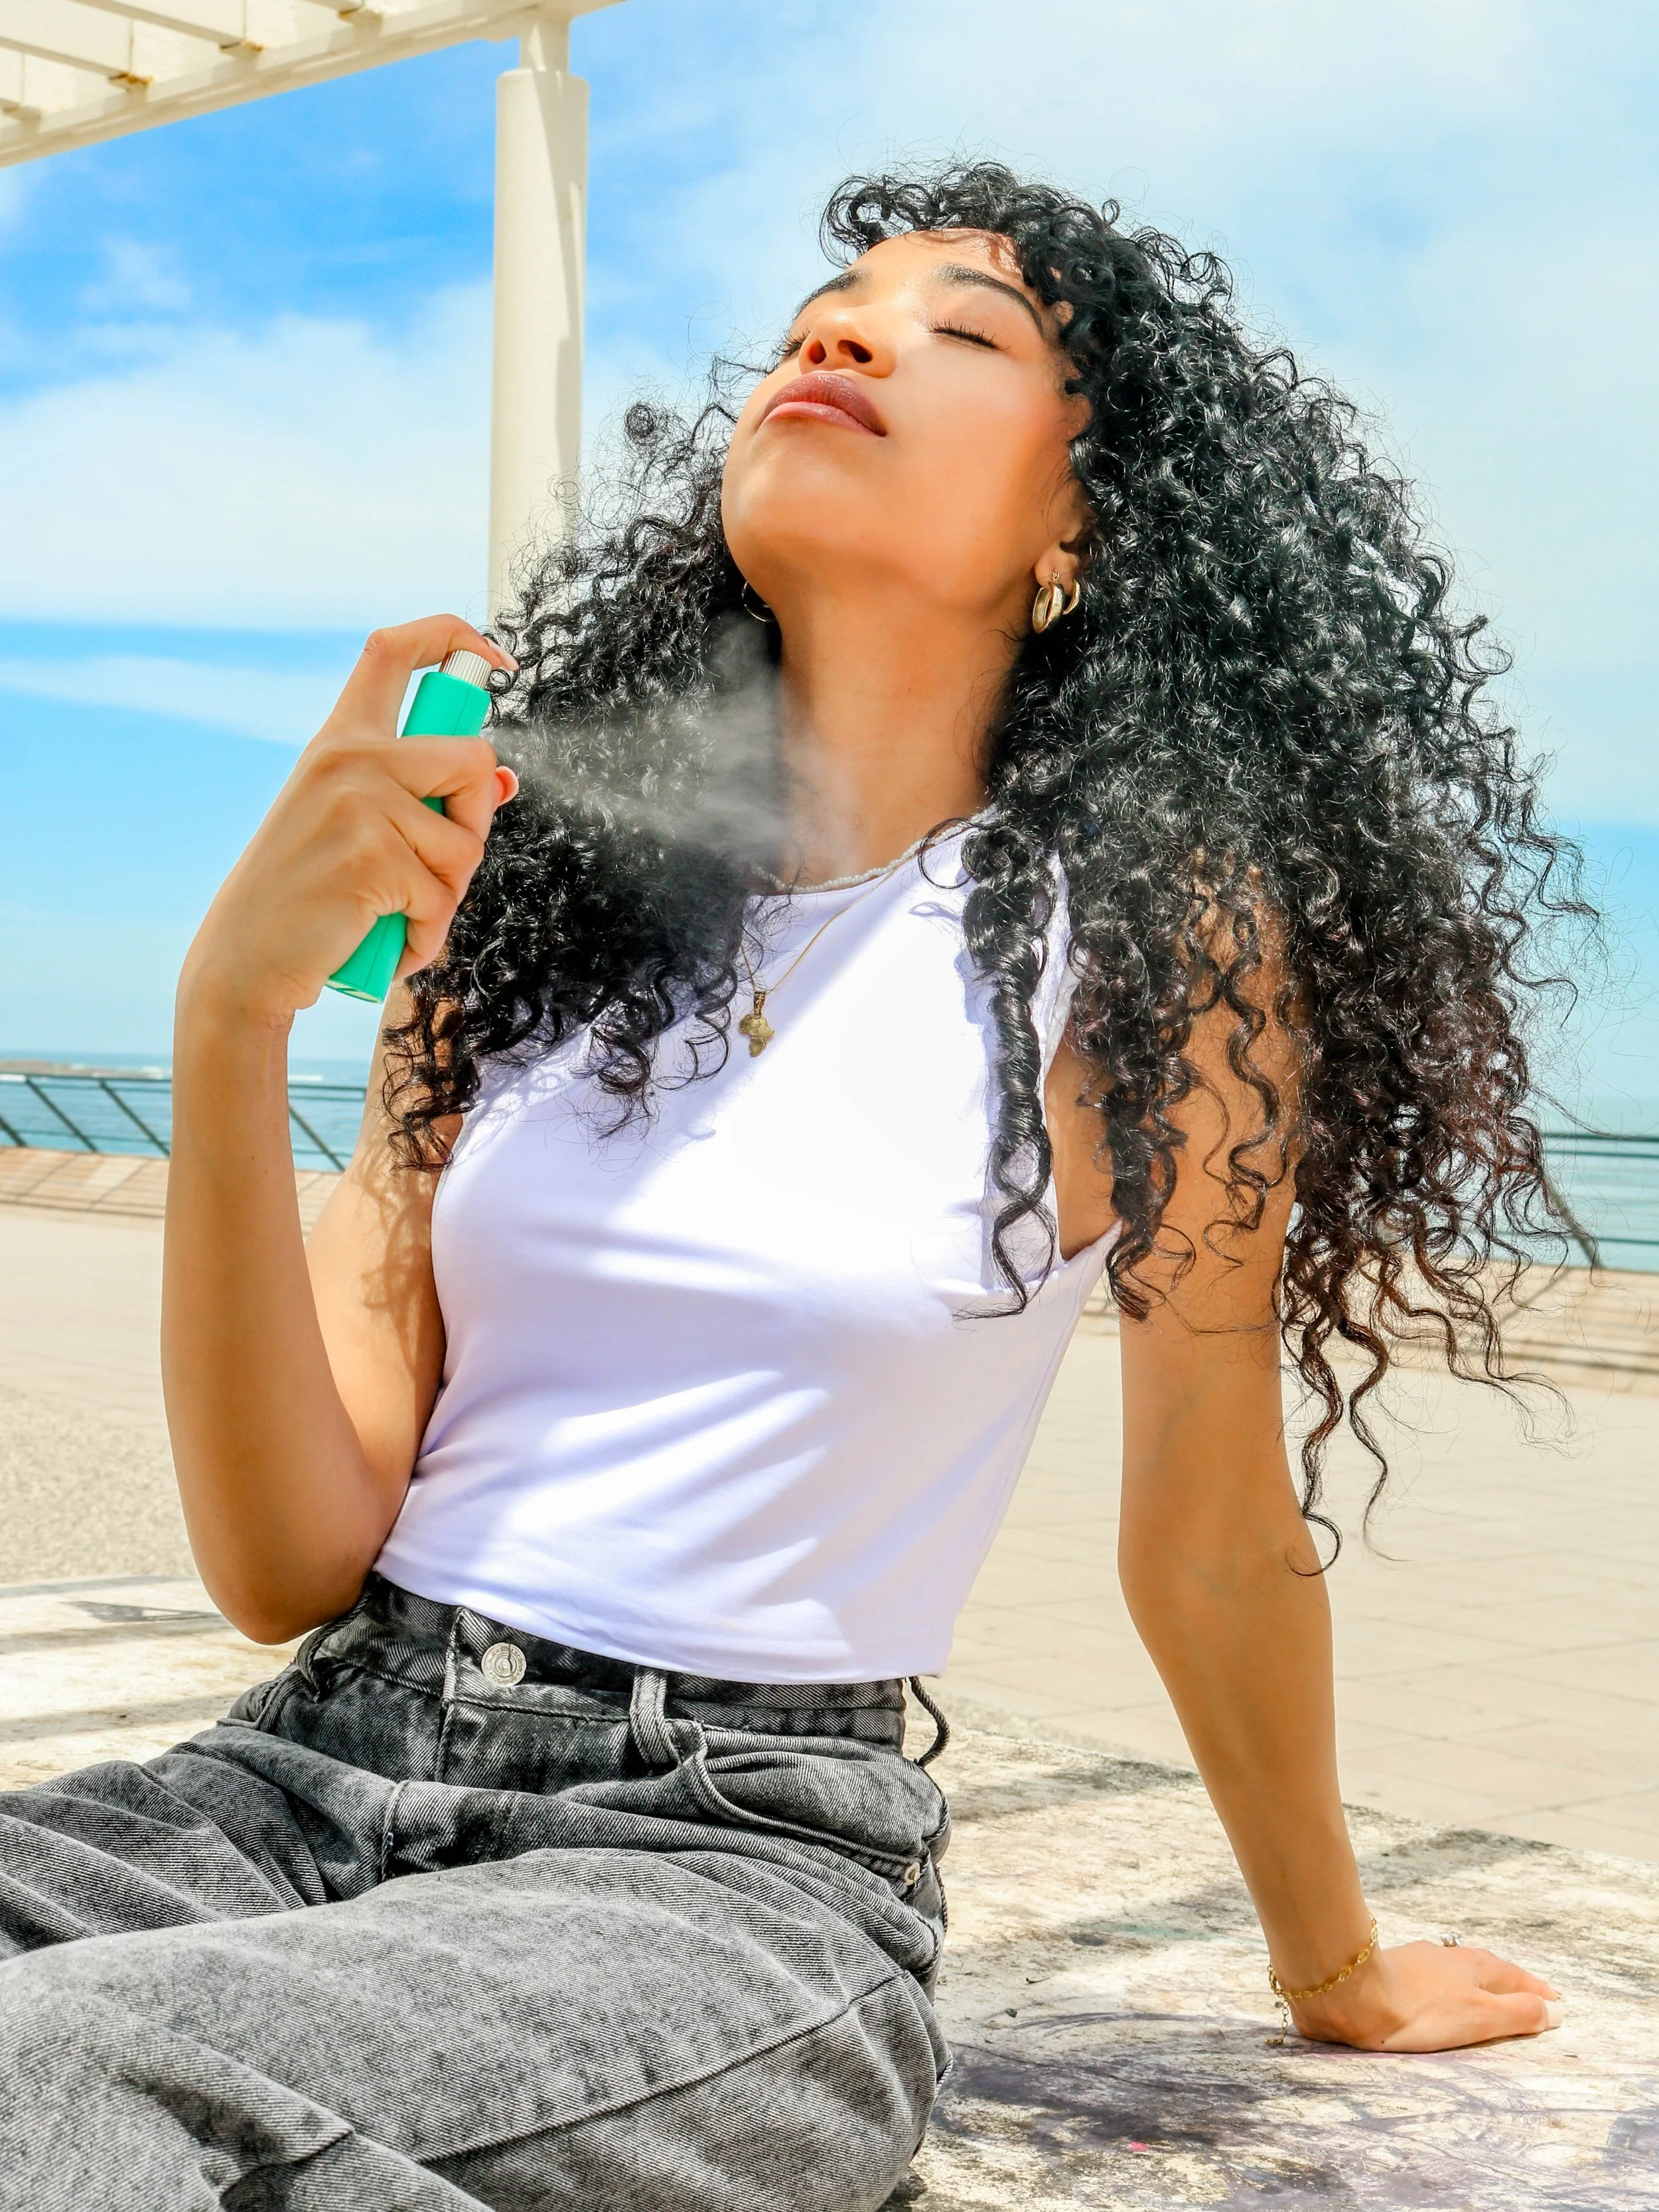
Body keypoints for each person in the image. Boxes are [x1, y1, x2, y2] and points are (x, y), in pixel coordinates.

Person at [0, 164, 1573, 2208]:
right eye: (829, 303)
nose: (838, 334)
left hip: (722, 1876)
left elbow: (1206, 1522)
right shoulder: (527, 903)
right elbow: (287, 1559)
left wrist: (1333, 1961)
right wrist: (230, 1026)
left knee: (64, 2075)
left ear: (1077, 530)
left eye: (962, 330)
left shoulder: (1156, 938)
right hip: (301, 1766)